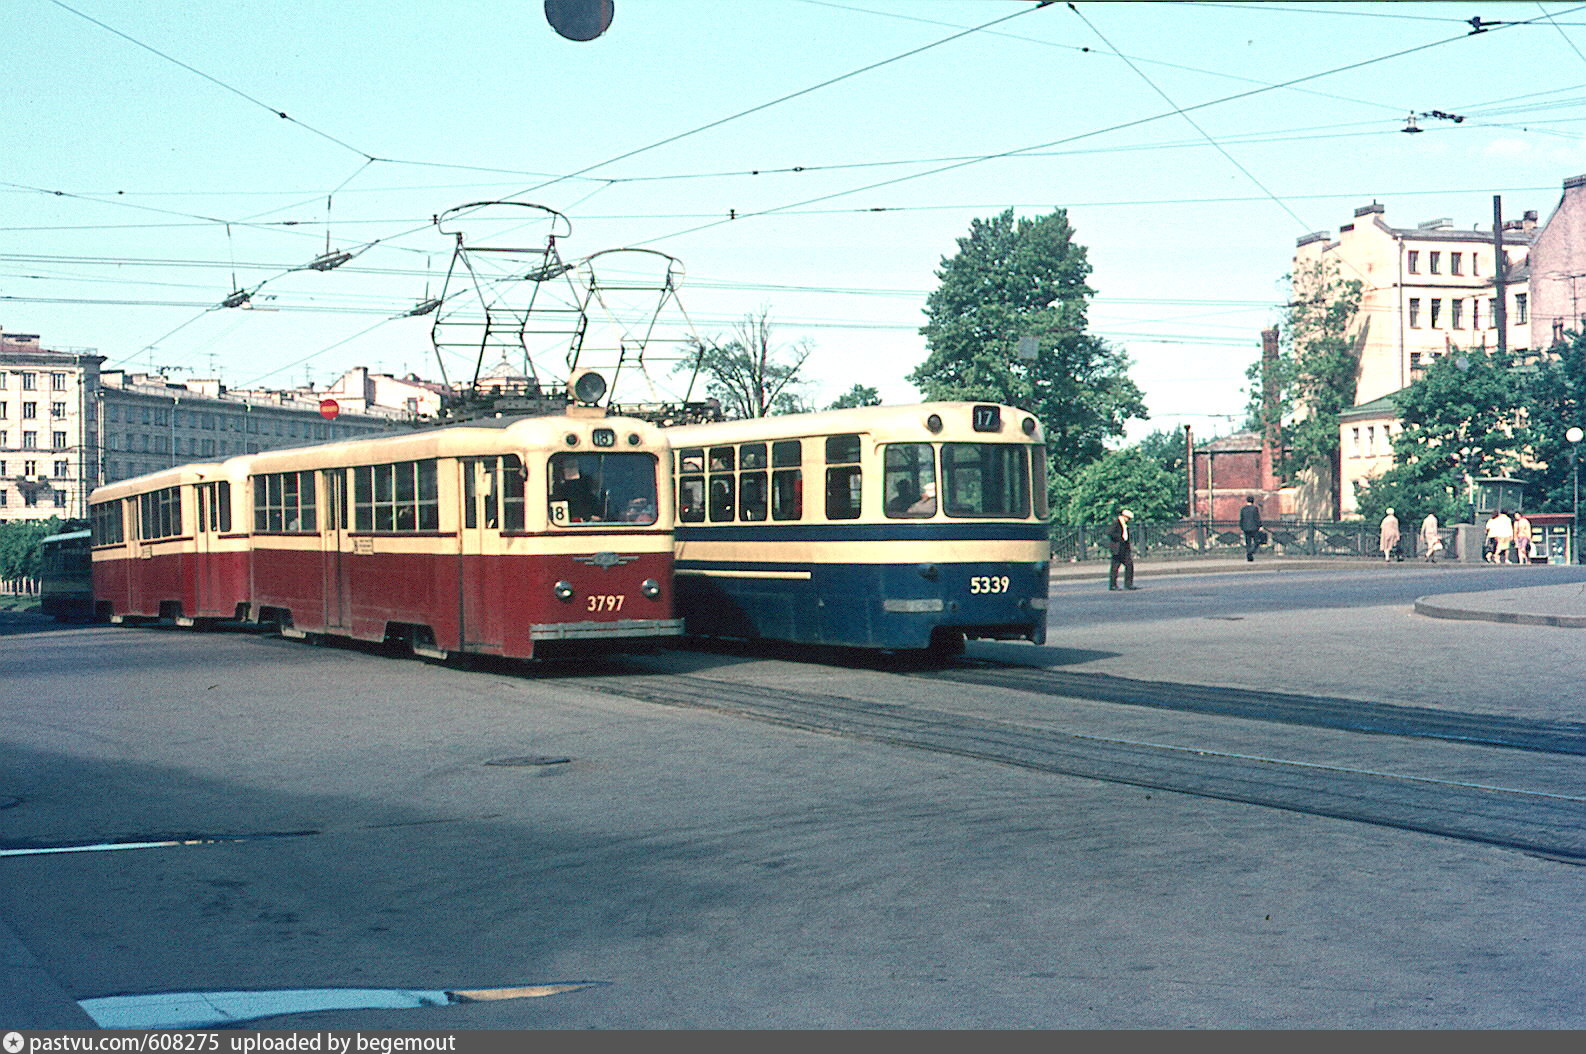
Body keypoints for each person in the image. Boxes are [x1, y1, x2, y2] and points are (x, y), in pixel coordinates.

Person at [1107, 507, 1137, 591]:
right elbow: (1110, 532)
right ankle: (1112, 585)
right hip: (1117, 548)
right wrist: (1120, 538)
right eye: (1127, 518)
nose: (1128, 520)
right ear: (1124, 516)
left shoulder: (1124, 524)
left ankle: (1128, 584)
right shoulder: (1116, 523)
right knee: (1115, 567)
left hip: (1124, 548)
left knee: (1129, 565)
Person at [1239, 495, 1264, 562]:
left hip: (1245, 528)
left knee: (1248, 543)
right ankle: (1250, 552)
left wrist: (1241, 527)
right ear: (1253, 501)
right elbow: (1257, 518)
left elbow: (1241, 519)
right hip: (1254, 528)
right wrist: (1260, 526)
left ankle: (1249, 556)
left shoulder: (1243, 509)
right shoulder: (1254, 508)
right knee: (1256, 542)